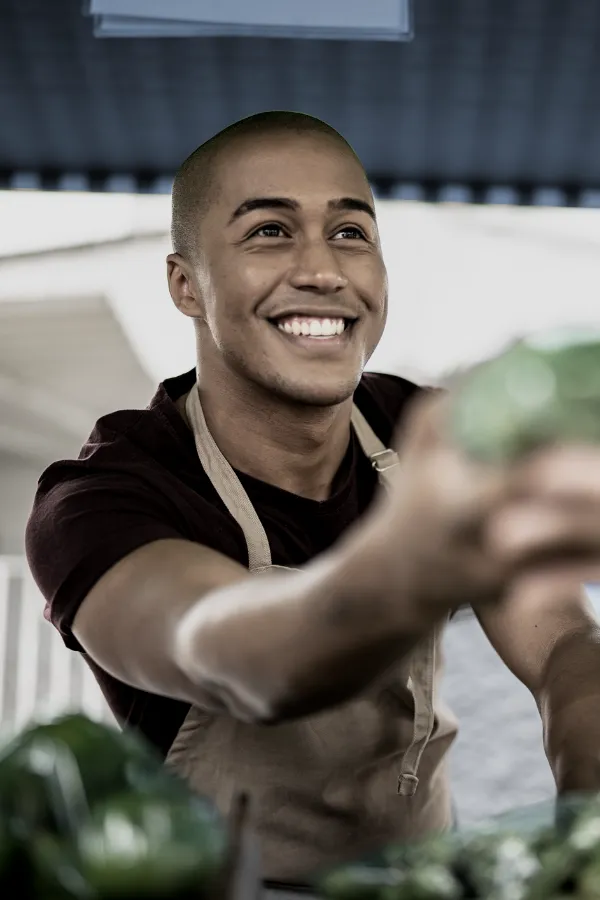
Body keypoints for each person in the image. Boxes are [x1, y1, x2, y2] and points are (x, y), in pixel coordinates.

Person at [26, 111, 600, 881]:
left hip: (415, 883)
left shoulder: (426, 434)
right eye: (269, 231)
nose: (323, 270)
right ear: (186, 285)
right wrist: (421, 554)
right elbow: (239, 662)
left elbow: (564, 648)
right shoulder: (100, 500)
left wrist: (585, 835)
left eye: (350, 232)